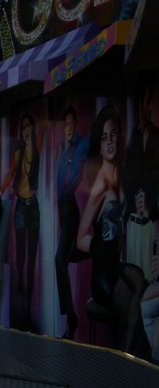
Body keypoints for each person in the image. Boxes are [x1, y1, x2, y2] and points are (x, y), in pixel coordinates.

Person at [76, 105, 147, 355]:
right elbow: (80, 239)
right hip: (103, 277)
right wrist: (103, 246)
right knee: (129, 297)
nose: (110, 142)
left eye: (113, 135)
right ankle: (128, 358)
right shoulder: (101, 184)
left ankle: (135, 354)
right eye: (104, 137)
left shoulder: (119, 174)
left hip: (116, 266)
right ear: (99, 144)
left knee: (140, 281)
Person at [0, 111, 46, 330]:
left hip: (33, 207)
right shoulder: (18, 152)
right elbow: (11, 173)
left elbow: (45, 125)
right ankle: (19, 285)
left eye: (29, 126)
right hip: (20, 205)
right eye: (24, 127)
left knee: (32, 257)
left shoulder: (36, 147)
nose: (26, 129)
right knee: (20, 257)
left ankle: (28, 303)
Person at [55, 106, 89, 339]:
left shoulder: (81, 144)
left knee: (60, 260)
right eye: (65, 124)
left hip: (70, 208)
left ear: (75, 125)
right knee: (69, 256)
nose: (68, 128)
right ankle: (96, 249)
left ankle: (71, 318)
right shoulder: (63, 149)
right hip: (62, 208)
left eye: (70, 124)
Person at [125, 72, 159, 281]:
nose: (151, 107)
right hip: (133, 227)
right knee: (133, 285)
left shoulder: (157, 138)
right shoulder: (133, 141)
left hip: (150, 228)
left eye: (151, 101)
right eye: (147, 101)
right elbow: (126, 185)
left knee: (147, 283)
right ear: (140, 103)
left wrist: (150, 206)